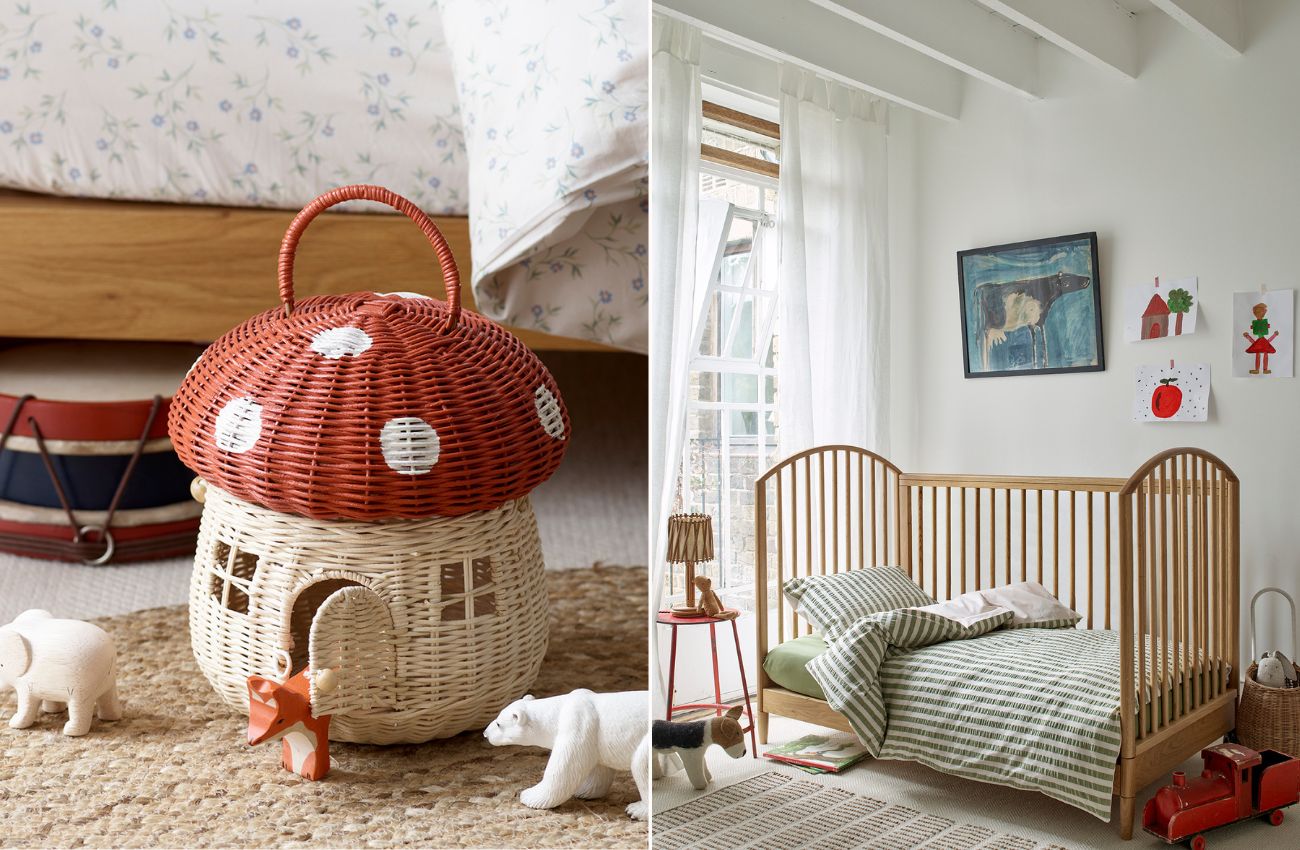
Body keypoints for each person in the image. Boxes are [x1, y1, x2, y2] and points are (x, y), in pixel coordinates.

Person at [1242, 301, 1280, 374]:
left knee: (1262, 353)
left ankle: (1264, 369)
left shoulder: (1262, 327)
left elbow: (1265, 341)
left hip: (1262, 340)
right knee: (1258, 353)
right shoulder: (1258, 327)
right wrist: (1247, 336)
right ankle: (1258, 369)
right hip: (1261, 341)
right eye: (1256, 312)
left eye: (1260, 312)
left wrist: (1274, 335)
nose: (1258, 314)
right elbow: (1255, 342)